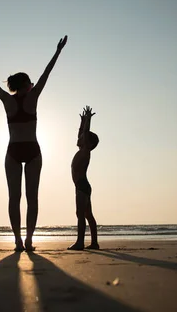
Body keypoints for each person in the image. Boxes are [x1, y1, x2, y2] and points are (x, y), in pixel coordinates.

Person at [0, 35, 68, 251]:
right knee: (28, 198)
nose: (32, 85)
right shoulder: (32, 96)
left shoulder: (8, 100)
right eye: (30, 83)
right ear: (27, 85)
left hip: (17, 152)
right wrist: (58, 51)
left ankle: (22, 241)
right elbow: (46, 73)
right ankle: (25, 241)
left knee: (17, 198)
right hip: (28, 151)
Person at [68, 105, 100, 250]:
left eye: (82, 138)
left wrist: (88, 120)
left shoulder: (85, 151)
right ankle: (94, 243)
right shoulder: (81, 149)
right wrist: (82, 121)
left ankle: (80, 242)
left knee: (81, 214)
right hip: (81, 186)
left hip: (82, 185)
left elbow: (85, 133)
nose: (79, 138)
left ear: (88, 143)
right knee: (87, 214)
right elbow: (82, 133)